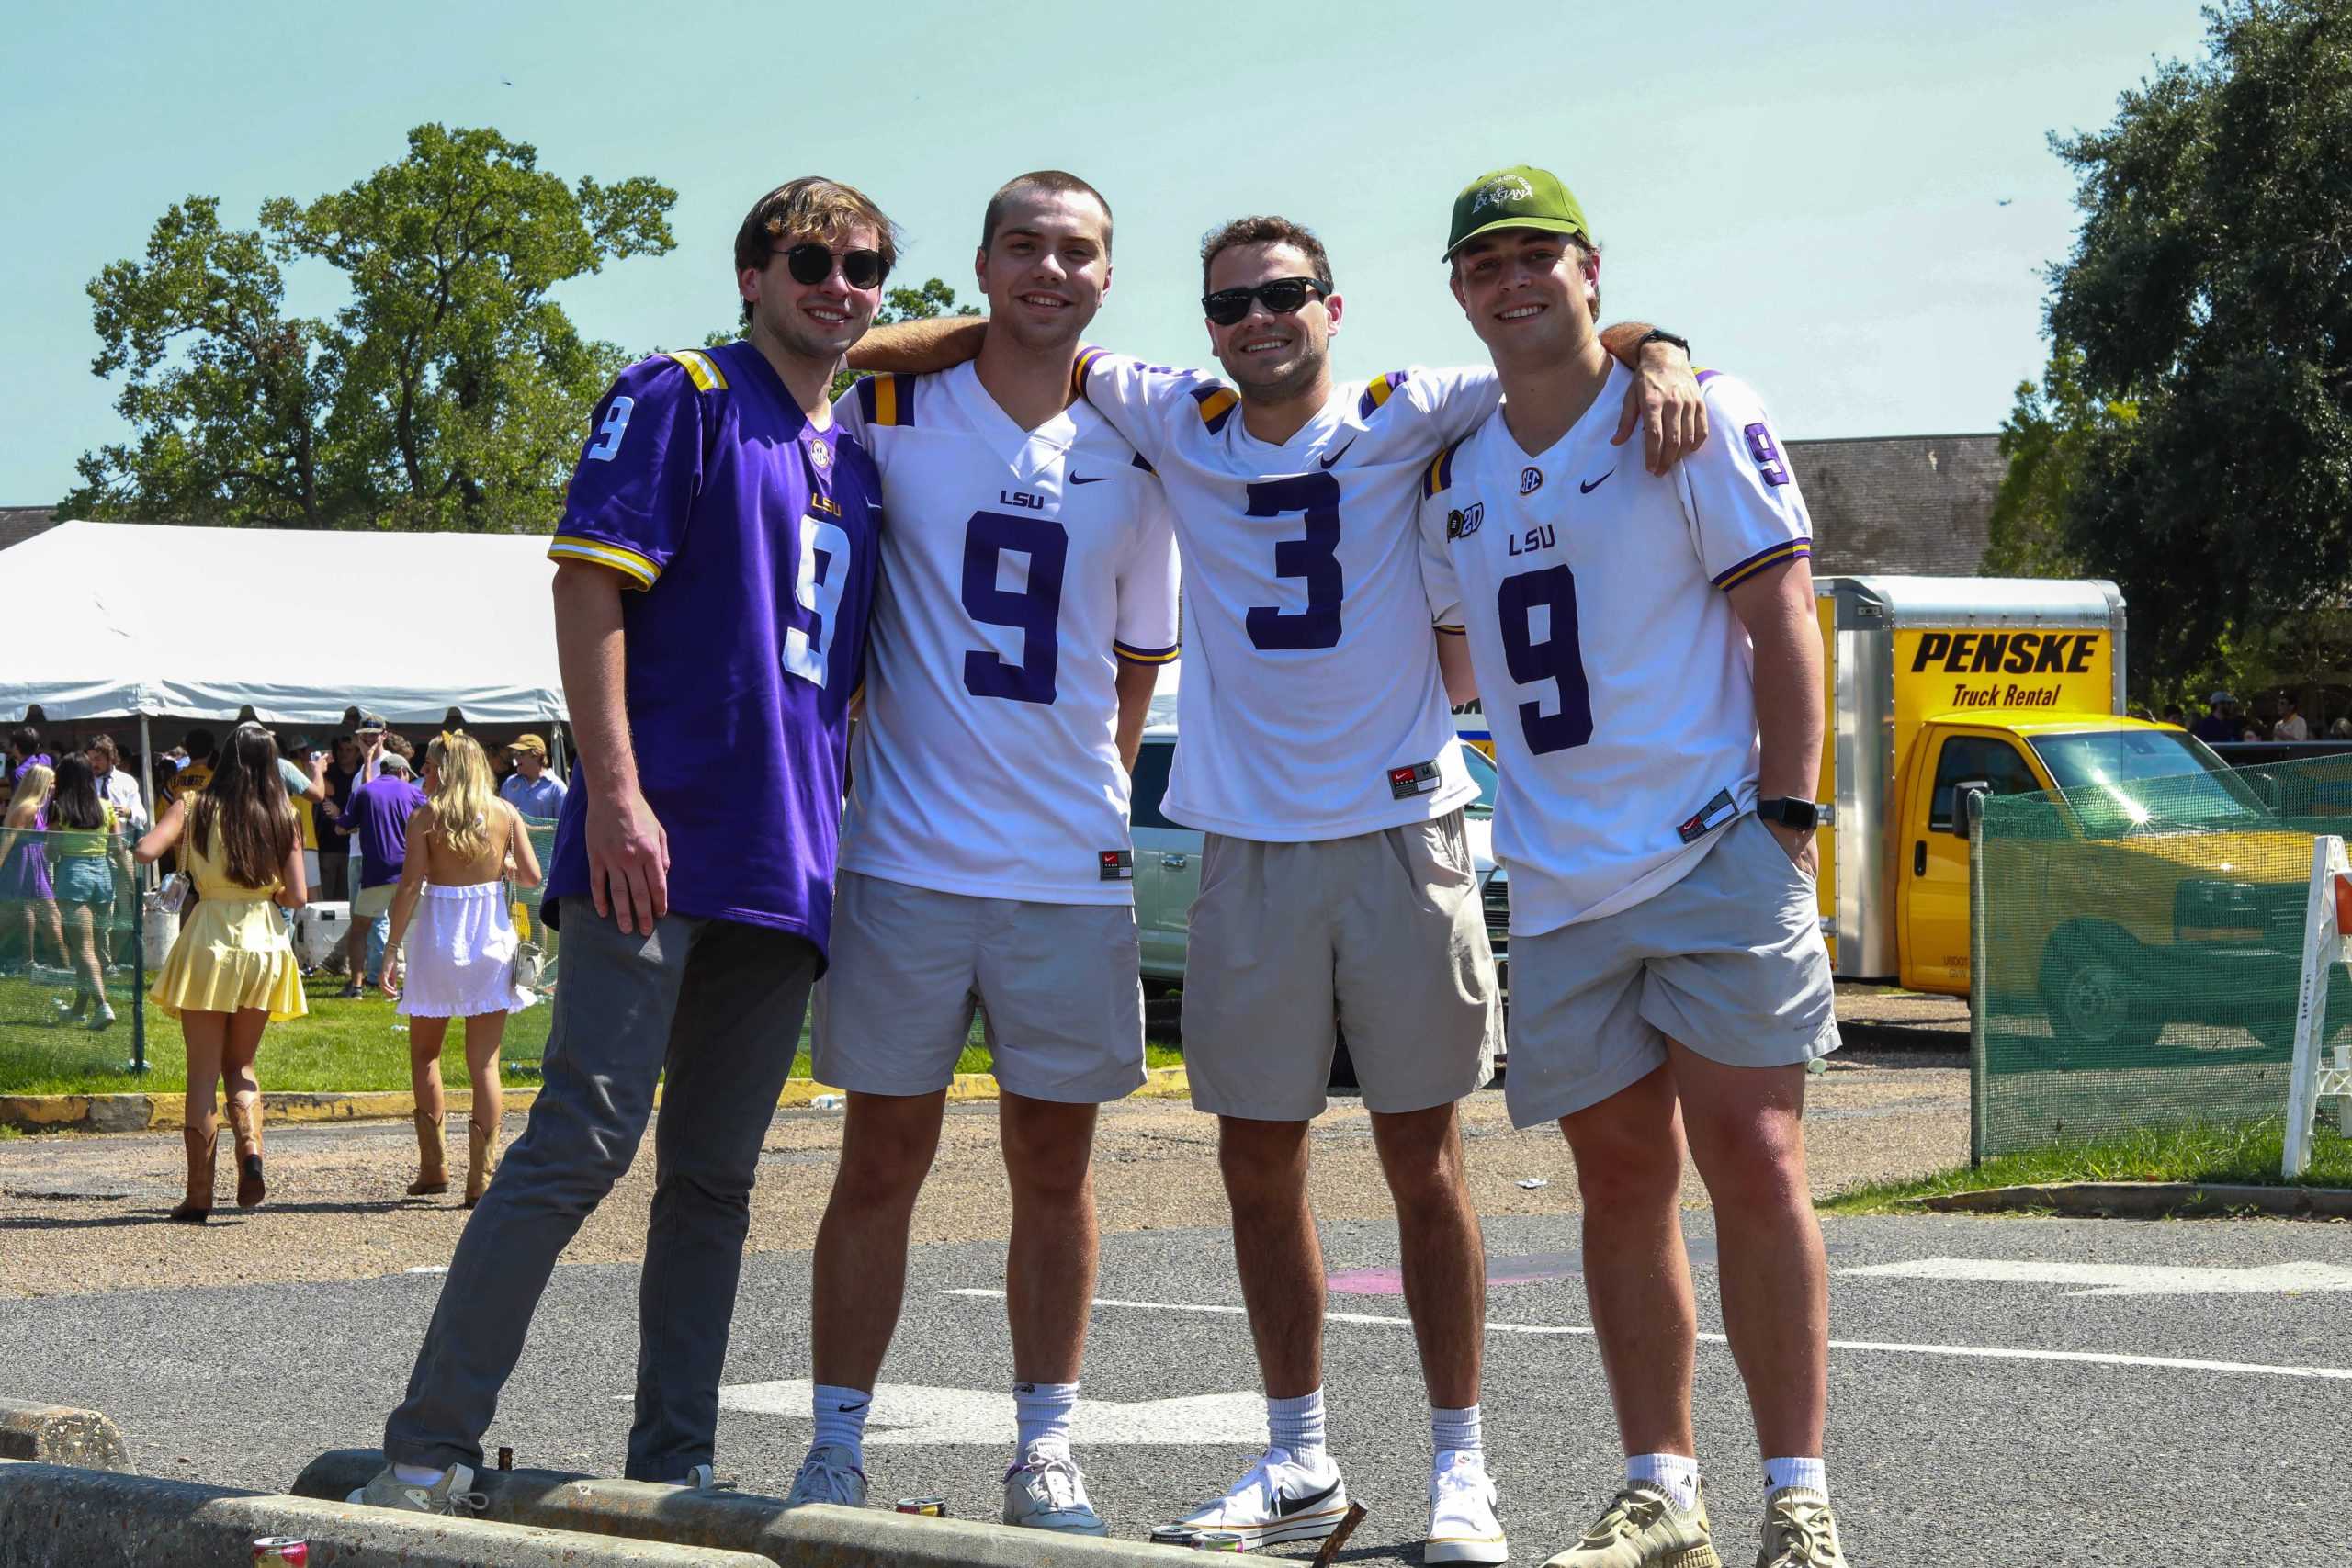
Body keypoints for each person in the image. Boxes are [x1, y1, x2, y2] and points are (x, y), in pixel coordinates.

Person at [851, 209, 1701, 1563]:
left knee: (1426, 1160)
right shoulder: (1163, 405)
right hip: (1245, 838)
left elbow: (1572, 354)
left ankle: (1459, 1468)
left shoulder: (1409, 403)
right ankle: (1300, 1453)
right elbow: (952, 340)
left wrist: (1666, 351)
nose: (1259, 319)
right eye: (1232, 302)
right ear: (1204, 321)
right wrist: (955, 320)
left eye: (1285, 295)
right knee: (1258, 1162)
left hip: (1401, 825)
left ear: (1336, 304)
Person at [350, 175, 884, 1516]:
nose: (840, 283)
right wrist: (615, 793)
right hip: (661, 834)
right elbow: (589, 585)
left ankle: (676, 1460)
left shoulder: (861, 450)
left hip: (789, 857)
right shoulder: (683, 392)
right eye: (809, 258)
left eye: (866, 266)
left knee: (714, 1178)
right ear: (752, 271)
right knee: (581, 1138)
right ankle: (431, 1435)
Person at [1419, 165, 1849, 1568]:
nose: (1515, 280)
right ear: (1459, 293)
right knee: (1619, 1182)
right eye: (1486, 265)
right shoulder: (1458, 459)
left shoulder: (1691, 406)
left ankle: (1798, 1490)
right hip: (1557, 873)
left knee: (1758, 1158)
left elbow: (1782, 600)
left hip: (1710, 839)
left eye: (1538, 253)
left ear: (1593, 266)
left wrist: (1790, 811)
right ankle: (1663, 1487)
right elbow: (1442, 646)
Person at [786, 172, 1179, 1535]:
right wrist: (915, 330)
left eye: (1076, 252)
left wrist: (1095, 783)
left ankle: (1046, 1446)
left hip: (1065, 859)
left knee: (1054, 1170)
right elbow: (817, 355)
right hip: (902, 850)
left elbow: (1137, 664)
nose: (1049, 272)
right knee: (879, 1157)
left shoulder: (1139, 439)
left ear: (1108, 276)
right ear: (982, 262)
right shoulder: (897, 408)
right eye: (1024, 247)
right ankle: (836, 1439)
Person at [134, 722, 308, 1223]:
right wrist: (265, 890)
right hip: (264, 939)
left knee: (202, 1073)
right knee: (242, 1066)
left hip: (210, 934)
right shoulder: (284, 814)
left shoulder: (195, 806)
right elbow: (297, 897)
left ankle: (199, 1194)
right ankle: (250, 1150)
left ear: (225, 758)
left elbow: (146, 849)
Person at [379, 732, 543, 1205]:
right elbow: (532, 877)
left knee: (425, 1055)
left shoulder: (426, 817)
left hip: (438, 938)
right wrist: (504, 863)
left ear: (445, 769)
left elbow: (410, 887)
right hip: (490, 940)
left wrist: (392, 948)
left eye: (430, 766)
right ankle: (483, 1176)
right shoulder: (505, 813)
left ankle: (434, 1168)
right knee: (485, 1064)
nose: (425, 774)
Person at [43, 754, 134, 1028]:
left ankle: (103, 1007)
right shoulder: (105, 807)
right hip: (103, 879)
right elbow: (119, 850)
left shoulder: (58, 808)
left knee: (83, 949)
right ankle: (77, 1009)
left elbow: (51, 852)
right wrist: (133, 888)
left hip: (74, 877)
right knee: (93, 949)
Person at [340, 745, 425, 998]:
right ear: (401, 772)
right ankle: (415, 987)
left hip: (375, 873)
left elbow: (343, 827)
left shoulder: (363, 792)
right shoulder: (413, 793)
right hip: (409, 874)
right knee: (415, 931)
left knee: (360, 929)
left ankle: (356, 987)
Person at [0, 763, 67, 976]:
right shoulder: (28, 808)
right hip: (22, 863)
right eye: (52, 782)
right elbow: (9, 837)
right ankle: (65, 968)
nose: (55, 786)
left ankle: (51, 965)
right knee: (18, 916)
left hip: (35, 863)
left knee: (34, 914)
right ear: (41, 783)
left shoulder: (40, 807)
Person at [496, 735, 567, 820]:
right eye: (514, 753)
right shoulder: (509, 782)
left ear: (536, 755)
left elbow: (563, 825)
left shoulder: (557, 787)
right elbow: (499, 817)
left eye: (520, 753)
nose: (515, 757)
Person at [169, 728, 219, 804]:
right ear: (211, 752)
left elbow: (159, 812)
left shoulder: (172, 782)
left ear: (187, 749)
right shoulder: (215, 781)